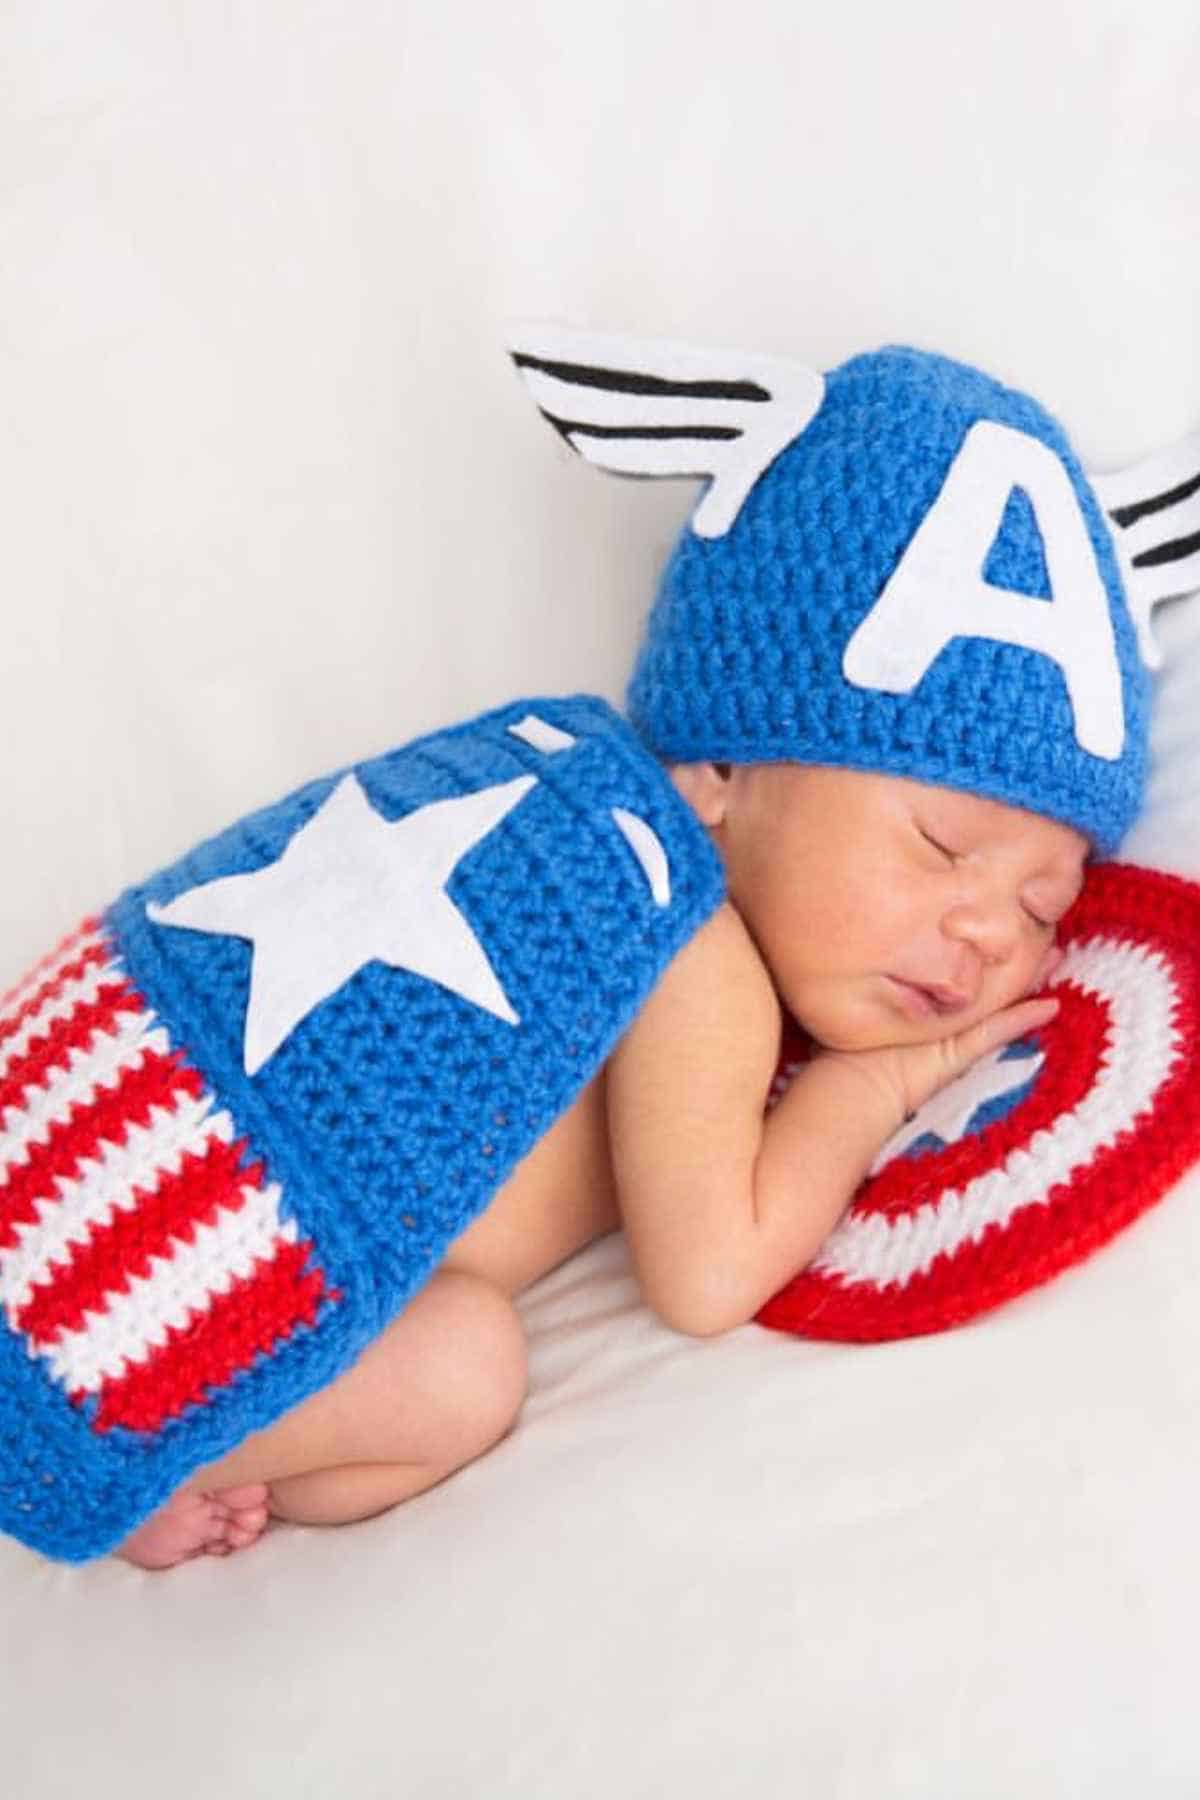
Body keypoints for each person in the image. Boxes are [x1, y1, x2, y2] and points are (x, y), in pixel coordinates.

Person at [0, 339, 1169, 1568]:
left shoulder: (534, 793)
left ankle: (209, 1454)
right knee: (468, 1371)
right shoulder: (685, 945)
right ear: (719, 777)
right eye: (941, 844)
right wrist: (875, 1085)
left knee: (390, 1423)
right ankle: (154, 1450)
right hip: (126, 1256)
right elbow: (709, 1276)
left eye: (1044, 908)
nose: (990, 931)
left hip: (72, 1126)